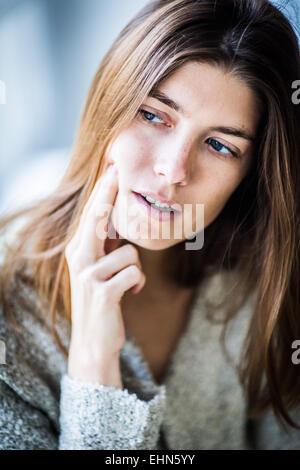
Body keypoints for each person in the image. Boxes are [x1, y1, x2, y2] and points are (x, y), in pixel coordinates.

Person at [0, 0, 299, 450]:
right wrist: (94, 363)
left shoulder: (264, 291)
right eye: (154, 115)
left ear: (249, 174)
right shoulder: (8, 319)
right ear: (109, 105)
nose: (174, 170)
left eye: (219, 145)